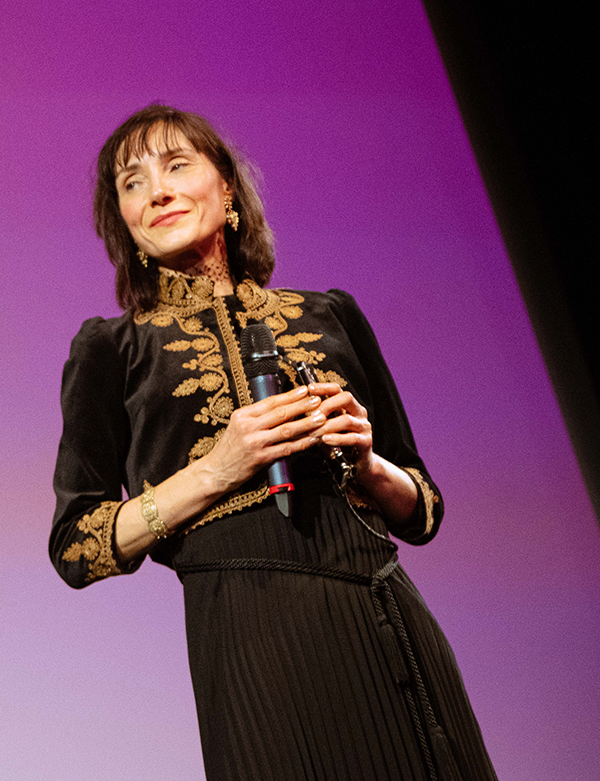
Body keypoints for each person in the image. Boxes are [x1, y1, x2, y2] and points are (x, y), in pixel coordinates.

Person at [50, 104, 496, 780]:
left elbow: (424, 507)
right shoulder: (111, 348)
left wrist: (370, 466)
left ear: (227, 189)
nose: (158, 191)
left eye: (175, 166)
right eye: (132, 183)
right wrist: (216, 469)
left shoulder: (330, 313)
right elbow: (77, 544)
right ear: (127, 227)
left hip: (381, 607)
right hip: (252, 632)